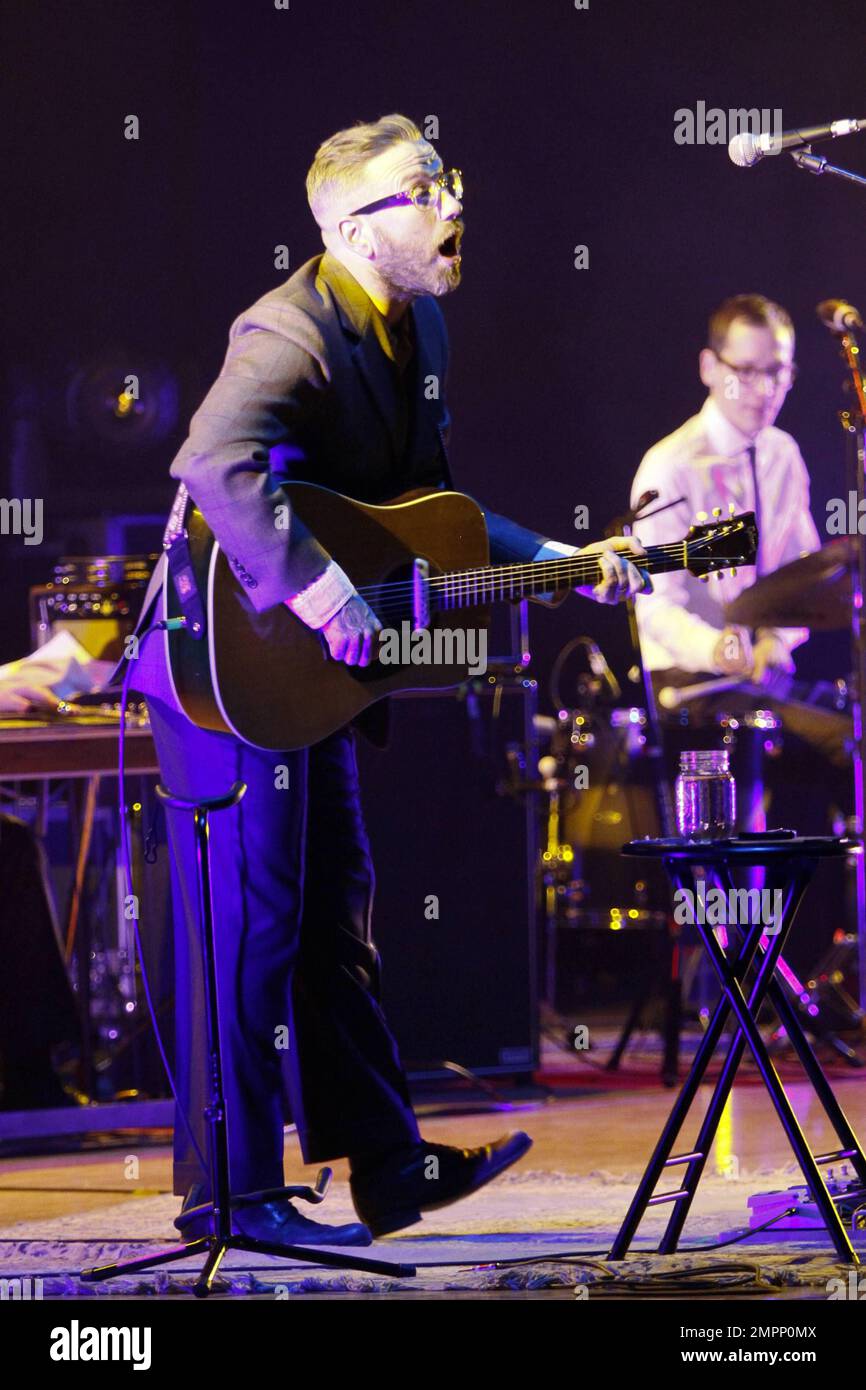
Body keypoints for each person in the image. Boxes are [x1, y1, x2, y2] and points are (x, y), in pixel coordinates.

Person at [125, 114, 649, 1245]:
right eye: (425, 190)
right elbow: (214, 462)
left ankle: (384, 1165)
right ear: (355, 228)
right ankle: (234, 1196)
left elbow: (433, 515)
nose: (453, 203)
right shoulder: (289, 326)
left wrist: (567, 563)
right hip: (224, 663)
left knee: (334, 919)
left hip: (303, 682)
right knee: (253, 929)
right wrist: (321, 595)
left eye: (447, 179)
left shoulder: (424, 334)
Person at [631, 293, 820, 692]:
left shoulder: (782, 454)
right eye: (746, 371)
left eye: (777, 372)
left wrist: (775, 639)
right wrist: (717, 649)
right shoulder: (670, 467)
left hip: (760, 681)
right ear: (709, 367)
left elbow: (801, 574)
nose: (765, 390)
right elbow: (655, 605)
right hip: (687, 685)